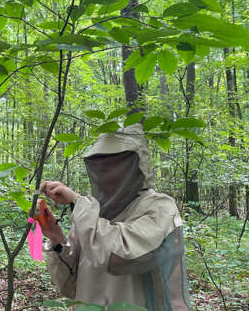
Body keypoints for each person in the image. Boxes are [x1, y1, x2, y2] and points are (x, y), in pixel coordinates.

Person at [38, 123, 192, 310]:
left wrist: (78, 202)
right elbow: (70, 287)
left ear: (137, 165)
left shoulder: (160, 207)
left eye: (115, 164)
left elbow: (121, 257)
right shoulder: (91, 213)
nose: (106, 173)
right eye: (100, 165)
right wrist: (56, 238)